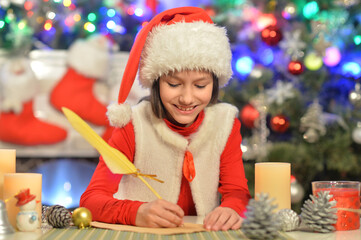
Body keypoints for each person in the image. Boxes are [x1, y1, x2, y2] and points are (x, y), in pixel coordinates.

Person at [80, 6, 250, 231]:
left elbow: (237, 193)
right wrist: (136, 212)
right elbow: (91, 201)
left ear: (215, 83)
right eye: (174, 84)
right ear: (156, 82)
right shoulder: (132, 125)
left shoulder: (226, 124)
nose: (187, 98)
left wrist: (232, 208)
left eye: (200, 85)